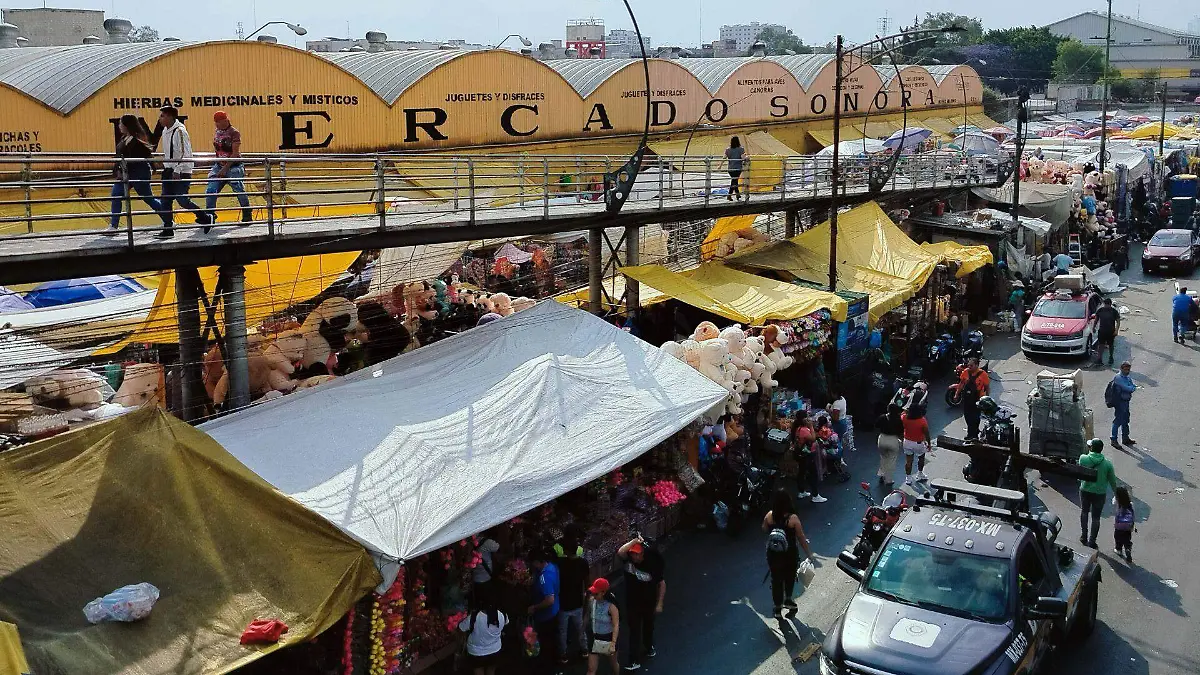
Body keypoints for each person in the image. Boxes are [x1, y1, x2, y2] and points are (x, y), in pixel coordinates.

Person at [106, 114, 168, 236]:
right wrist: (118, 170)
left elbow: (145, 156)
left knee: (148, 198)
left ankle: (168, 219)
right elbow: (119, 157)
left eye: (121, 123)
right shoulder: (125, 139)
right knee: (116, 194)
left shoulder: (137, 141)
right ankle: (113, 226)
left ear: (126, 125)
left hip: (139, 173)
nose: (119, 126)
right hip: (126, 173)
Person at [156, 106, 210, 237]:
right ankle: (168, 228)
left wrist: (177, 169)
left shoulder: (180, 131)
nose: (160, 119)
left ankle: (204, 216)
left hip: (182, 171)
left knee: (182, 199)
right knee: (166, 200)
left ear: (170, 117)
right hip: (168, 169)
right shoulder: (165, 131)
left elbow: (185, 152)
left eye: (162, 116)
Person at [762, 489, 814, 617]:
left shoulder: (769, 515)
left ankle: (777, 608)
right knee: (789, 578)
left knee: (776, 581)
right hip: (789, 555)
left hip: (773, 554)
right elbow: (801, 537)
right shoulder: (793, 519)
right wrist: (809, 554)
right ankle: (788, 600)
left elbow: (764, 528)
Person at [617, 537, 665, 671]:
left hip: (648, 603)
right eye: (632, 553)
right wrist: (634, 541)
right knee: (634, 630)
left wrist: (659, 603)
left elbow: (661, 583)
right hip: (632, 603)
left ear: (642, 554)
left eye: (636, 553)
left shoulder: (652, 565)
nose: (633, 556)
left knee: (648, 627)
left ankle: (649, 646)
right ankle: (633, 660)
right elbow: (620, 552)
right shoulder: (628, 561)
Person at [203, 110, 253, 230]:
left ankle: (247, 214)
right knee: (211, 189)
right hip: (219, 165)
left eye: (219, 122)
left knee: (239, 189)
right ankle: (210, 215)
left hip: (234, 166)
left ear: (225, 120)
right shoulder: (217, 132)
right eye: (216, 122)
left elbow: (235, 153)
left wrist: (225, 168)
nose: (217, 124)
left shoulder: (234, 133)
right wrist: (218, 164)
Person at [1078, 438, 1121, 548]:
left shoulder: (1083, 458)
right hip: (1100, 494)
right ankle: (1092, 541)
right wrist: (1117, 495)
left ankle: (1083, 536)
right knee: (1096, 518)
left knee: (1084, 512)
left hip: (1085, 490)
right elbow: (1113, 482)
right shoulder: (1107, 464)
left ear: (1091, 448)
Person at [555, 526, 589, 665]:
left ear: (566, 551)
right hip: (578, 603)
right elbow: (587, 583)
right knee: (580, 628)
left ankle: (563, 654)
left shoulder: (560, 564)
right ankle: (584, 650)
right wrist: (587, 598)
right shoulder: (583, 563)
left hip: (563, 604)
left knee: (562, 631)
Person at [528, 548, 561, 674]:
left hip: (546, 616)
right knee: (552, 641)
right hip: (554, 612)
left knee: (546, 643)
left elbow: (549, 600)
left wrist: (534, 607)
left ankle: (547, 669)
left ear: (537, 562)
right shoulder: (553, 567)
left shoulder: (545, 577)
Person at [457, 594, 508, 675]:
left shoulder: (474, 617)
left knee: (478, 671)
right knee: (491, 671)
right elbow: (506, 623)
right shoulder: (502, 615)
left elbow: (461, 628)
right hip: (495, 650)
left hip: (476, 652)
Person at [583, 578, 620, 675]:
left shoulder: (611, 606)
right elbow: (587, 616)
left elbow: (615, 625)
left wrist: (613, 643)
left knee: (613, 664)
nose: (594, 596)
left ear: (603, 592)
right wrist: (582, 630)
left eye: (596, 594)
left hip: (608, 637)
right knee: (591, 669)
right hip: (594, 636)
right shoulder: (592, 602)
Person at [790, 410, 826, 503]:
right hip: (807, 455)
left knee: (802, 472)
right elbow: (813, 439)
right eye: (807, 417)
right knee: (813, 474)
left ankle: (801, 491)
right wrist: (811, 427)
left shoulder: (797, 428)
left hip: (801, 454)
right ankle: (815, 495)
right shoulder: (804, 430)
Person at [958, 358, 990, 440]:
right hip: (967, 399)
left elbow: (987, 387)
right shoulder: (966, 372)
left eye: (971, 365)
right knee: (967, 417)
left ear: (976, 365)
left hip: (977, 400)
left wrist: (987, 398)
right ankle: (971, 433)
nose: (969, 367)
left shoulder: (983, 374)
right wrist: (956, 394)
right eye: (968, 365)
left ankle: (974, 435)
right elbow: (961, 383)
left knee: (975, 418)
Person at [875, 403, 904, 488]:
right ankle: (888, 480)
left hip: (882, 439)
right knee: (891, 460)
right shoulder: (898, 420)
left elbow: (876, 425)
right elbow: (901, 432)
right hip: (893, 440)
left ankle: (881, 474)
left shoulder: (882, 417)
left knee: (884, 458)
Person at [901, 405, 932, 485]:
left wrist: (906, 410)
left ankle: (908, 478)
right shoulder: (922, 420)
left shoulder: (904, 417)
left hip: (907, 442)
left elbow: (903, 413)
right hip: (918, 443)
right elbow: (927, 433)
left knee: (908, 461)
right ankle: (920, 474)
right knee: (921, 458)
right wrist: (929, 443)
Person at [1109, 362, 1136, 447]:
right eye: (1126, 369)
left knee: (1126, 420)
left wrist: (1132, 387)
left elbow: (1132, 385)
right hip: (1120, 402)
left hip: (1126, 402)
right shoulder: (1118, 378)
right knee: (1118, 420)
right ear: (1121, 369)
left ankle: (1125, 438)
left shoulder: (1127, 377)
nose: (1127, 371)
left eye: (1128, 369)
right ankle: (1113, 439)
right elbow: (1128, 388)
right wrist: (1132, 388)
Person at [471, 531, 501, 607]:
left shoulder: (468, 543)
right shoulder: (487, 542)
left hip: (474, 578)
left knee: (480, 602)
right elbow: (497, 547)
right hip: (485, 577)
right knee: (489, 601)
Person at [1091, 297, 1120, 366]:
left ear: (1110, 304)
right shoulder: (1100, 310)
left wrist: (1116, 330)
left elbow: (1118, 321)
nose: (1106, 306)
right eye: (1105, 304)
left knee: (1111, 345)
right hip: (1102, 331)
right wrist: (1094, 327)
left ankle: (1111, 357)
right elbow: (1096, 319)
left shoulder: (1114, 311)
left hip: (1110, 331)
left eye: (1108, 304)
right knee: (1101, 345)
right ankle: (1099, 359)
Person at [1113, 485, 1136, 563]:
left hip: (1119, 526)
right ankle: (1127, 548)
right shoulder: (1130, 504)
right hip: (1128, 526)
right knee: (1127, 538)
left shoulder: (1117, 502)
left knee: (1117, 538)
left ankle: (1118, 549)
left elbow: (1113, 501)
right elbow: (1133, 515)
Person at [724, 136, 745, 201]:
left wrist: (720, 165)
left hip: (730, 168)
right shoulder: (741, 149)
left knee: (734, 181)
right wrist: (746, 158)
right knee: (734, 181)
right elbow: (743, 157)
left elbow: (724, 157)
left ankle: (737, 194)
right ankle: (729, 195)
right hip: (738, 168)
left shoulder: (728, 149)